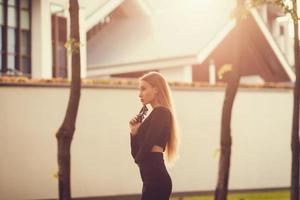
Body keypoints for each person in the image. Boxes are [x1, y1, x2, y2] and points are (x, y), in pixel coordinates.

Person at [129, 71, 179, 200]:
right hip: (150, 180)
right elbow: (136, 154)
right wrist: (134, 132)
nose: (140, 94)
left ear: (156, 89)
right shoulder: (154, 115)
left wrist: (138, 159)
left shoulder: (161, 112)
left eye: (143, 89)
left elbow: (145, 149)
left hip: (156, 181)